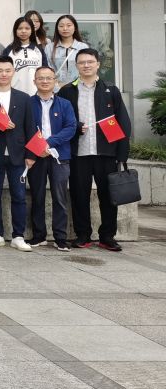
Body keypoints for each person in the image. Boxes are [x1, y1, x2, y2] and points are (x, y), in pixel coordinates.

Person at [59, 48, 131, 251]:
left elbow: (123, 123)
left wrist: (122, 154)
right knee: (79, 196)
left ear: (98, 64)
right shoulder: (67, 91)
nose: (86, 65)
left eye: (90, 62)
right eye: (82, 62)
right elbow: (61, 121)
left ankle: (107, 236)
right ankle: (83, 235)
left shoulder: (111, 90)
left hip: (106, 153)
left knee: (108, 196)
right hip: (78, 153)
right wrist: (75, 128)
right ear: (76, 66)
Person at [0, 55, 36, 251]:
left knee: (19, 196)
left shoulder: (24, 98)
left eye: (7, 70)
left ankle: (18, 236)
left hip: (18, 154)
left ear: (13, 72)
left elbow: (30, 127)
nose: (4, 74)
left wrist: (31, 154)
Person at [27, 66, 77, 251]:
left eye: (49, 78)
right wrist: (37, 149)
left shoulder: (65, 104)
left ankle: (60, 237)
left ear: (55, 81)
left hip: (59, 156)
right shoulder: (28, 103)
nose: (45, 81)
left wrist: (48, 143)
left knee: (60, 197)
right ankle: (38, 235)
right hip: (36, 156)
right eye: (41, 78)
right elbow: (25, 129)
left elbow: (71, 127)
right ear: (34, 81)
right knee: (37, 196)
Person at [8, 16, 47, 95]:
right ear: (15, 31)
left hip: (36, 94)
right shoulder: (9, 50)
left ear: (32, 30)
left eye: (27, 28)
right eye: (20, 28)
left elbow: (45, 71)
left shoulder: (39, 50)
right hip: (15, 94)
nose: (23, 31)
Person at [47, 14, 87, 90]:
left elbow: (86, 68)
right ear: (57, 29)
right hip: (56, 89)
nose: (65, 28)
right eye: (61, 26)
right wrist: (56, 85)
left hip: (78, 88)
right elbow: (47, 68)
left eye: (69, 25)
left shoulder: (82, 47)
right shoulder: (49, 47)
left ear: (75, 28)